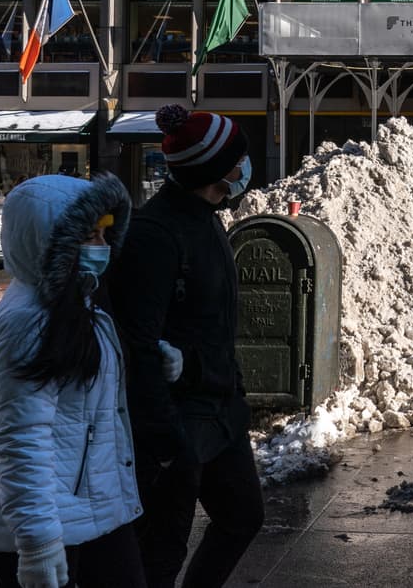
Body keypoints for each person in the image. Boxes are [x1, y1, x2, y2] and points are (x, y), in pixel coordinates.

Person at [0, 173, 155, 587]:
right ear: (50, 242)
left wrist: (157, 358)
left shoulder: (74, 302)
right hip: (53, 525)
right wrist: (38, 541)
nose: (103, 248)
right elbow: (22, 440)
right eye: (89, 236)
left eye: (105, 235)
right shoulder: (29, 321)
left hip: (91, 512)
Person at [110, 104, 263, 588]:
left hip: (220, 412)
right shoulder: (156, 235)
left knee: (242, 516)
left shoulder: (209, 216)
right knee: (161, 553)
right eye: (239, 160)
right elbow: (139, 343)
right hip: (179, 423)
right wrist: (164, 441)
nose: (245, 168)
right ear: (219, 170)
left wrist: (232, 390)